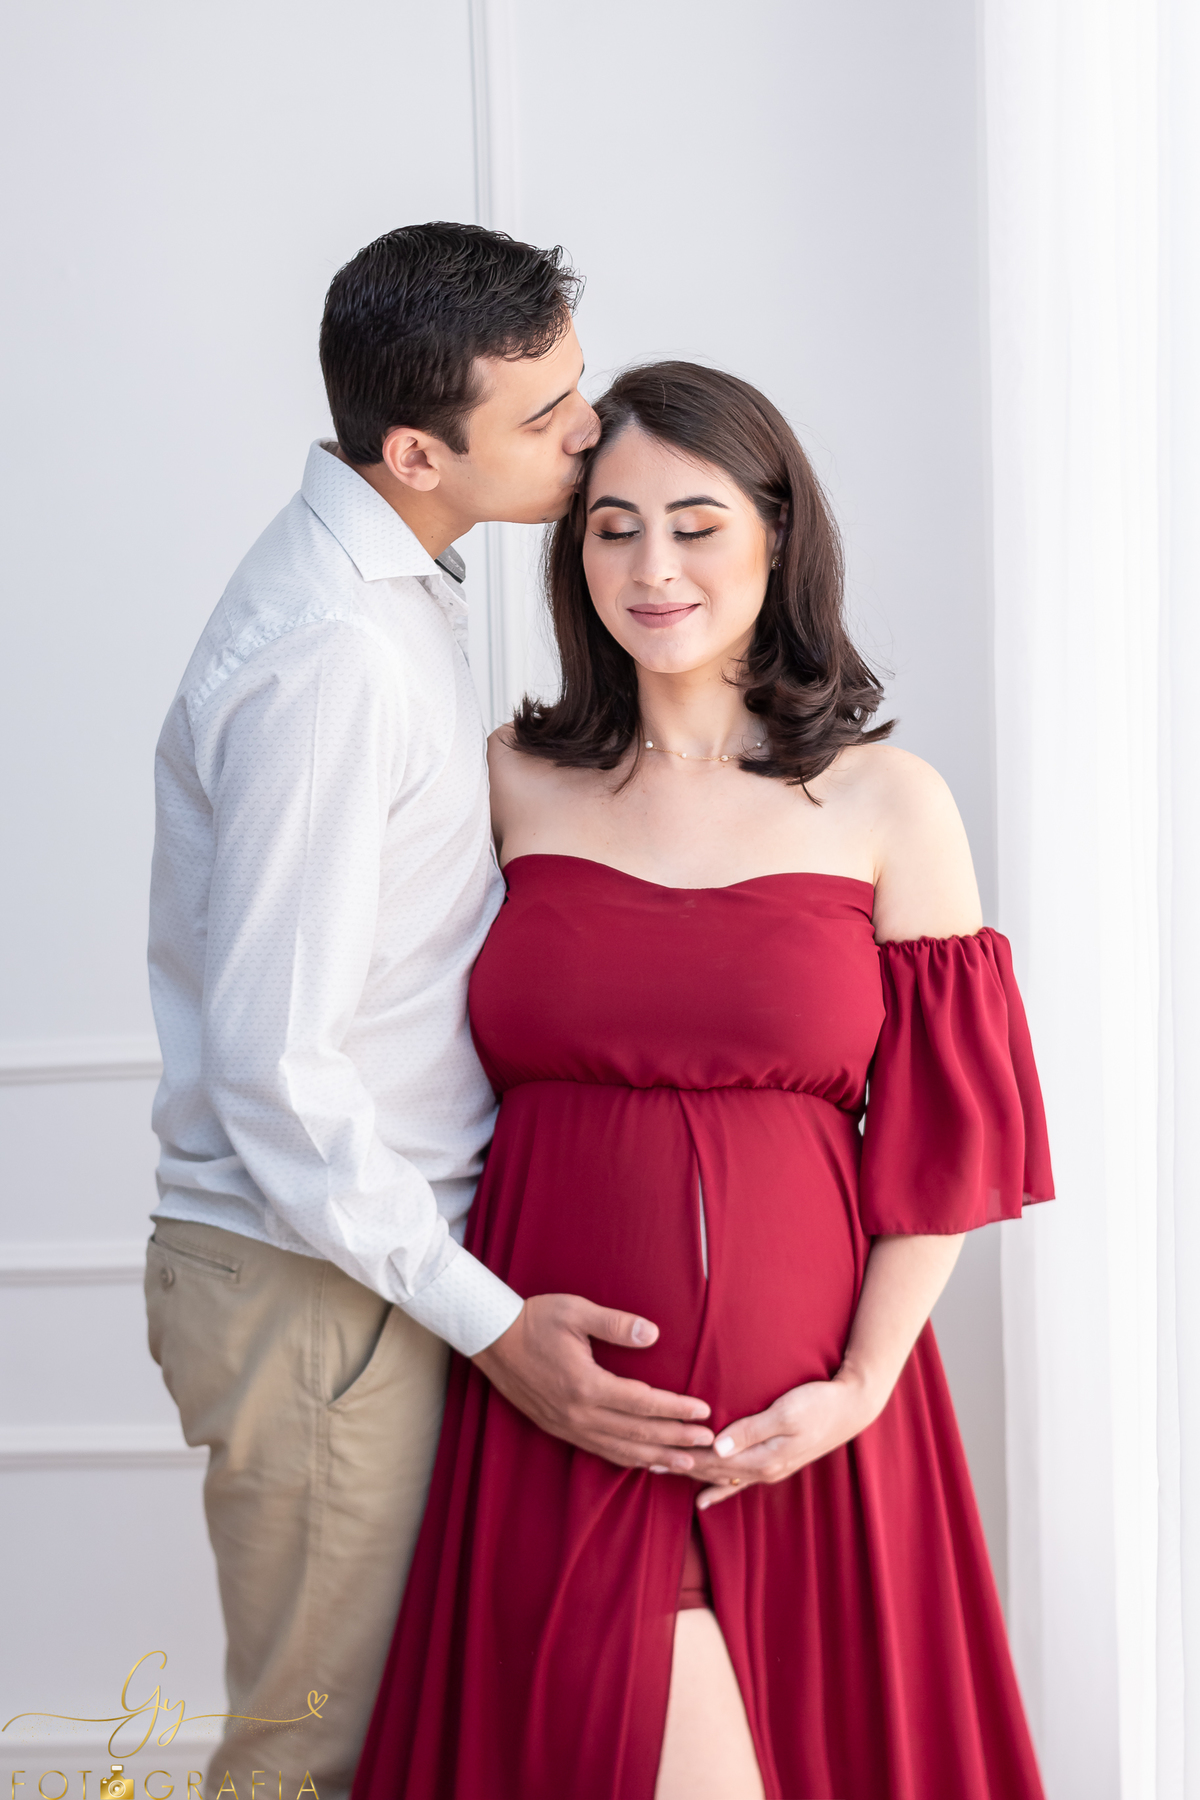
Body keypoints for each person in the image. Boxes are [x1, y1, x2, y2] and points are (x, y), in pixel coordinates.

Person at [352, 361, 1055, 1800]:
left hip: (806, 1425)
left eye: (695, 521)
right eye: (611, 527)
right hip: (549, 1397)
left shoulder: (885, 803)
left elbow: (942, 1148)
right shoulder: (502, 783)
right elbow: (367, 1066)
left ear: (777, 537)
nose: (651, 566)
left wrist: (861, 1388)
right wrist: (486, 1334)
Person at [144, 230, 722, 1800]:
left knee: (408, 1742)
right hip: (318, 1285)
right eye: (547, 416)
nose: (587, 432)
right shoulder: (333, 654)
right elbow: (274, 1072)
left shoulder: (395, 587)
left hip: (369, 1265)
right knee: (316, 1756)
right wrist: (492, 1325)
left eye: (577, 389)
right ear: (415, 452)